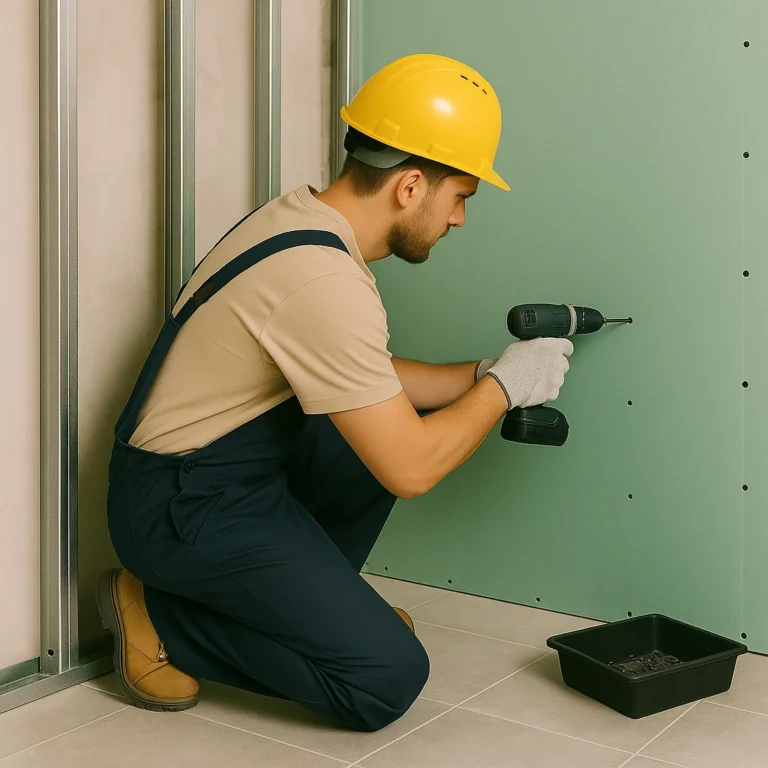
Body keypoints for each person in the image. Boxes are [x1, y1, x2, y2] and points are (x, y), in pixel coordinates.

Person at [96, 52, 572, 732]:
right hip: (181, 506)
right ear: (410, 186)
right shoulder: (323, 282)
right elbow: (410, 467)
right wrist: (501, 388)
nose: (460, 218)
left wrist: (476, 374)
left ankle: (320, 617)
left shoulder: (305, 223)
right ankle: (161, 617)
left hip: (213, 477)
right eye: (460, 195)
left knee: (388, 421)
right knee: (384, 677)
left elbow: (362, 376)